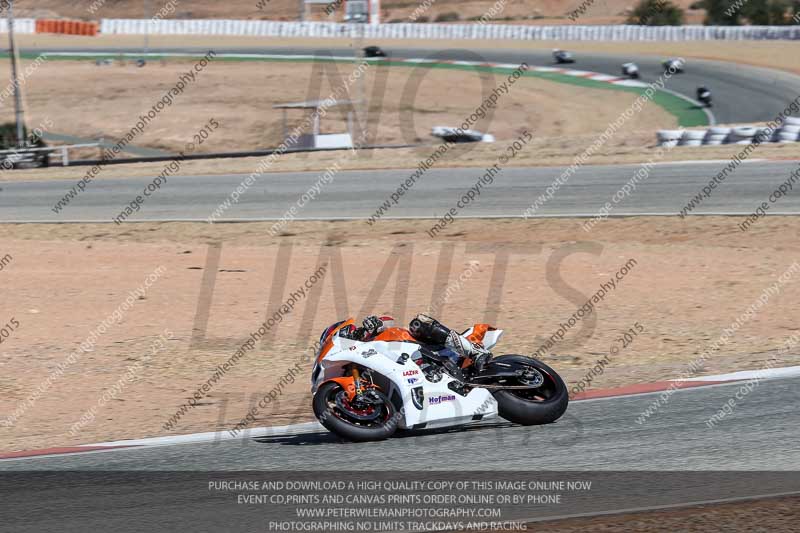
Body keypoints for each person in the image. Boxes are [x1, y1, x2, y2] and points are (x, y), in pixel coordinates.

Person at [340, 314, 492, 370]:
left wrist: (377, 322)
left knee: (417, 323)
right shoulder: (362, 365)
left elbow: (390, 320)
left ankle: (475, 352)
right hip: (411, 370)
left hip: (426, 348)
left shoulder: (372, 336)